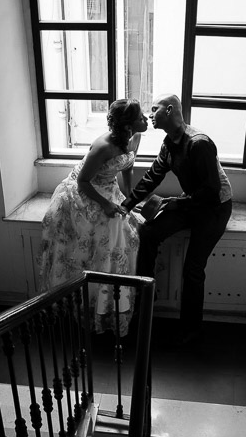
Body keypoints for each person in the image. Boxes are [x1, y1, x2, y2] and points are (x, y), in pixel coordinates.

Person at [122, 94, 232, 346]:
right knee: (148, 232)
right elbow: (152, 176)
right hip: (191, 201)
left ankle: (191, 329)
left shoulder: (199, 143)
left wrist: (173, 203)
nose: (150, 114)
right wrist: (126, 205)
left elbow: (211, 191)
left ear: (169, 110)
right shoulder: (168, 143)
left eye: (154, 109)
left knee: (193, 269)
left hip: (214, 207)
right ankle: (148, 296)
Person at [40, 98, 149, 336]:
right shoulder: (103, 146)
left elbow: (128, 166)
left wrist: (129, 198)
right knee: (108, 236)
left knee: (128, 233)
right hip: (87, 192)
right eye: (141, 117)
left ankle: (116, 302)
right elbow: (82, 182)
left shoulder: (135, 137)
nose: (146, 119)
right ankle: (95, 305)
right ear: (128, 124)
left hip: (110, 188)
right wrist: (106, 204)